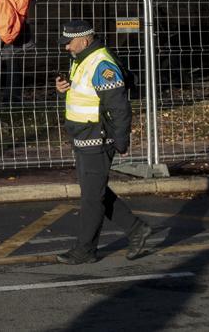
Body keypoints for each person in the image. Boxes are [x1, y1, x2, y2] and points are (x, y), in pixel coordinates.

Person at [53, 19, 153, 264]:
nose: (66, 47)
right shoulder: (83, 58)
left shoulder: (102, 64)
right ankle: (136, 229)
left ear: (84, 40)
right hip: (84, 136)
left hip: (97, 138)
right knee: (94, 192)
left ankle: (85, 250)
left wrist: (121, 141)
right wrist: (63, 88)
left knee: (91, 198)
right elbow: (85, 93)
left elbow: (119, 107)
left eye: (69, 43)